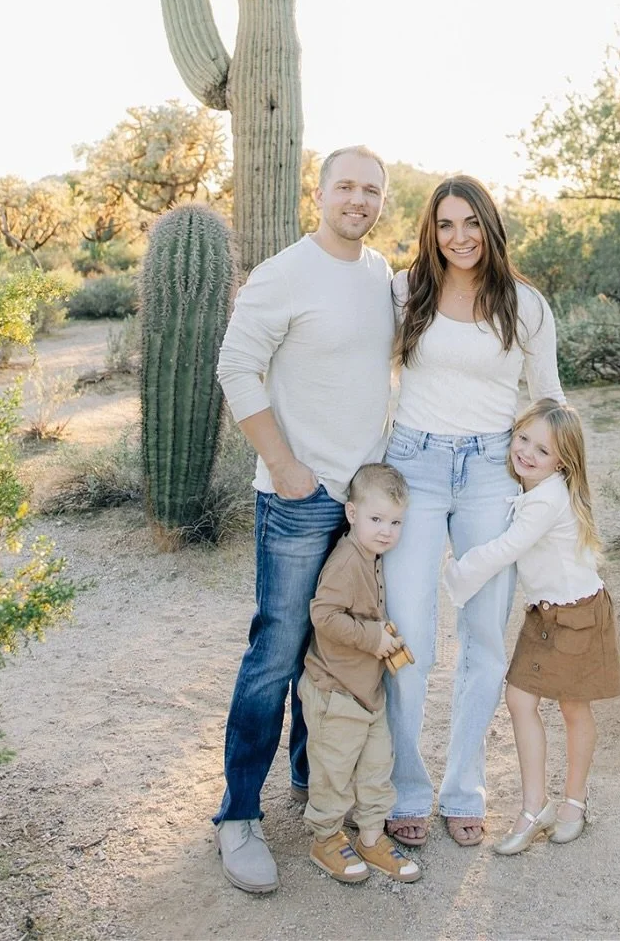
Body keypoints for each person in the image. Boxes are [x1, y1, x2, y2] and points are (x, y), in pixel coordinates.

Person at [212, 146, 393, 894]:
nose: (358, 199)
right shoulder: (286, 272)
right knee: (278, 652)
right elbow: (234, 365)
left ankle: (311, 784)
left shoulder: (379, 271)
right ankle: (237, 816)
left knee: (333, 652)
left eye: (371, 190)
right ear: (318, 192)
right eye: (345, 185)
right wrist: (283, 466)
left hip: (357, 505)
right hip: (297, 497)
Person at [381, 175, 563, 848]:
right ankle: (407, 786)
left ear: (490, 226)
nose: (459, 237)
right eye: (446, 224)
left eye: (471, 223)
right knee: (411, 637)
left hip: (492, 473)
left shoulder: (526, 306)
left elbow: (550, 401)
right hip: (415, 467)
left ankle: (464, 788)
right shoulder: (404, 294)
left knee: (483, 637)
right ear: (431, 231)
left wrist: (555, 491)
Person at [442, 398, 620, 855]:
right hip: (546, 615)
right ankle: (534, 806)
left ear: (561, 462)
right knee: (521, 698)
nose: (526, 453)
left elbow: (506, 549)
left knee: (573, 709)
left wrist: (456, 572)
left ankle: (573, 803)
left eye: (541, 451)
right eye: (522, 438)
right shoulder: (533, 487)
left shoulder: (547, 498)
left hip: (578, 614)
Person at [299, 463, 422, 884]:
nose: (386, 530)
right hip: (336, 693)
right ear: (351, 514)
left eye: (395, 522)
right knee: (333, 772)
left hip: (368, 693)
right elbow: (324, 615)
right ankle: (326, 838)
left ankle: (371, 838)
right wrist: (372, 637)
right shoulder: (346, 561)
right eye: (376, 519)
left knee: (375, 768)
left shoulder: (374, 557)